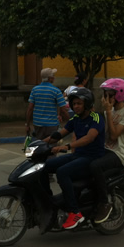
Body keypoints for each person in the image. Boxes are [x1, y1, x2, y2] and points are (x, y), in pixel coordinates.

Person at [41, 87, 105, 229]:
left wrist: (67, 146)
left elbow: (89, 137)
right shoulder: (76, 118)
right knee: (44, 166)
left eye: (79, 103)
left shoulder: (96, 118)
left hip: (91, 157)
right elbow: (59, 134)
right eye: (74, 104)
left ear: (87, 104)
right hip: (78, 155)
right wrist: (39, 143)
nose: (75, 106)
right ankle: (47, 201)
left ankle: (75, 212)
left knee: (62, 172)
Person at [90, 79, 124, 223]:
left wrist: (109, 112)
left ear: (119, 95)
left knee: (95, 166)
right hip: (106, 150)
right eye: (105, 95)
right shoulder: (109, 111)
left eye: (109, 95)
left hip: (117, 154)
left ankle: (104, 203)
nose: (106, 99)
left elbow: (114, 135)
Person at [25, 68, 70, 140]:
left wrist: (27, 124)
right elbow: (63, 110)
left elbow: (30, 108)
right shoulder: (56, 91)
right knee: (51, 144)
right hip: (51, 124)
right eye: (53, 76)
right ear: (50, 78)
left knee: (39, 143)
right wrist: (70, 121)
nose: (54, 77)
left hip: (38, 124)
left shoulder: (35, 90)